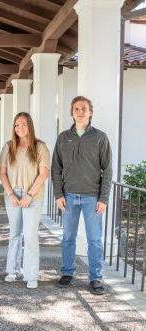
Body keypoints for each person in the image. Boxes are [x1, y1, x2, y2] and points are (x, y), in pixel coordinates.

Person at [51, 96, 112, 295]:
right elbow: (55, 169)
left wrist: (103, 198)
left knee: (94, 239)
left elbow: (108, 170)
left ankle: (96, 278)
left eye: (84, 108)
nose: (80, 111)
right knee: (68, 238)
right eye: (76, 108)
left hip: (91, 198)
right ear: (72, 112)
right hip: (68, 197)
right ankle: (67, 272)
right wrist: (58, 194)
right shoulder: (63, 137)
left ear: (90, 112)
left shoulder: (100, 137)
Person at [0, 112, 50, 289]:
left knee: (30, 235)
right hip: (13, 194)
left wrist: (29, 195)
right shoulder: (8, 147)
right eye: (17, 125)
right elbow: (2, 173)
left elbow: (44, 174)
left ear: (30, 126)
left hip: (32, 195)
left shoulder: (40, 147)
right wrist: (11, 194)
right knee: (14, 233)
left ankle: (31, 274)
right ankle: (12, 270)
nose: (20, 128)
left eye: (24, 124)